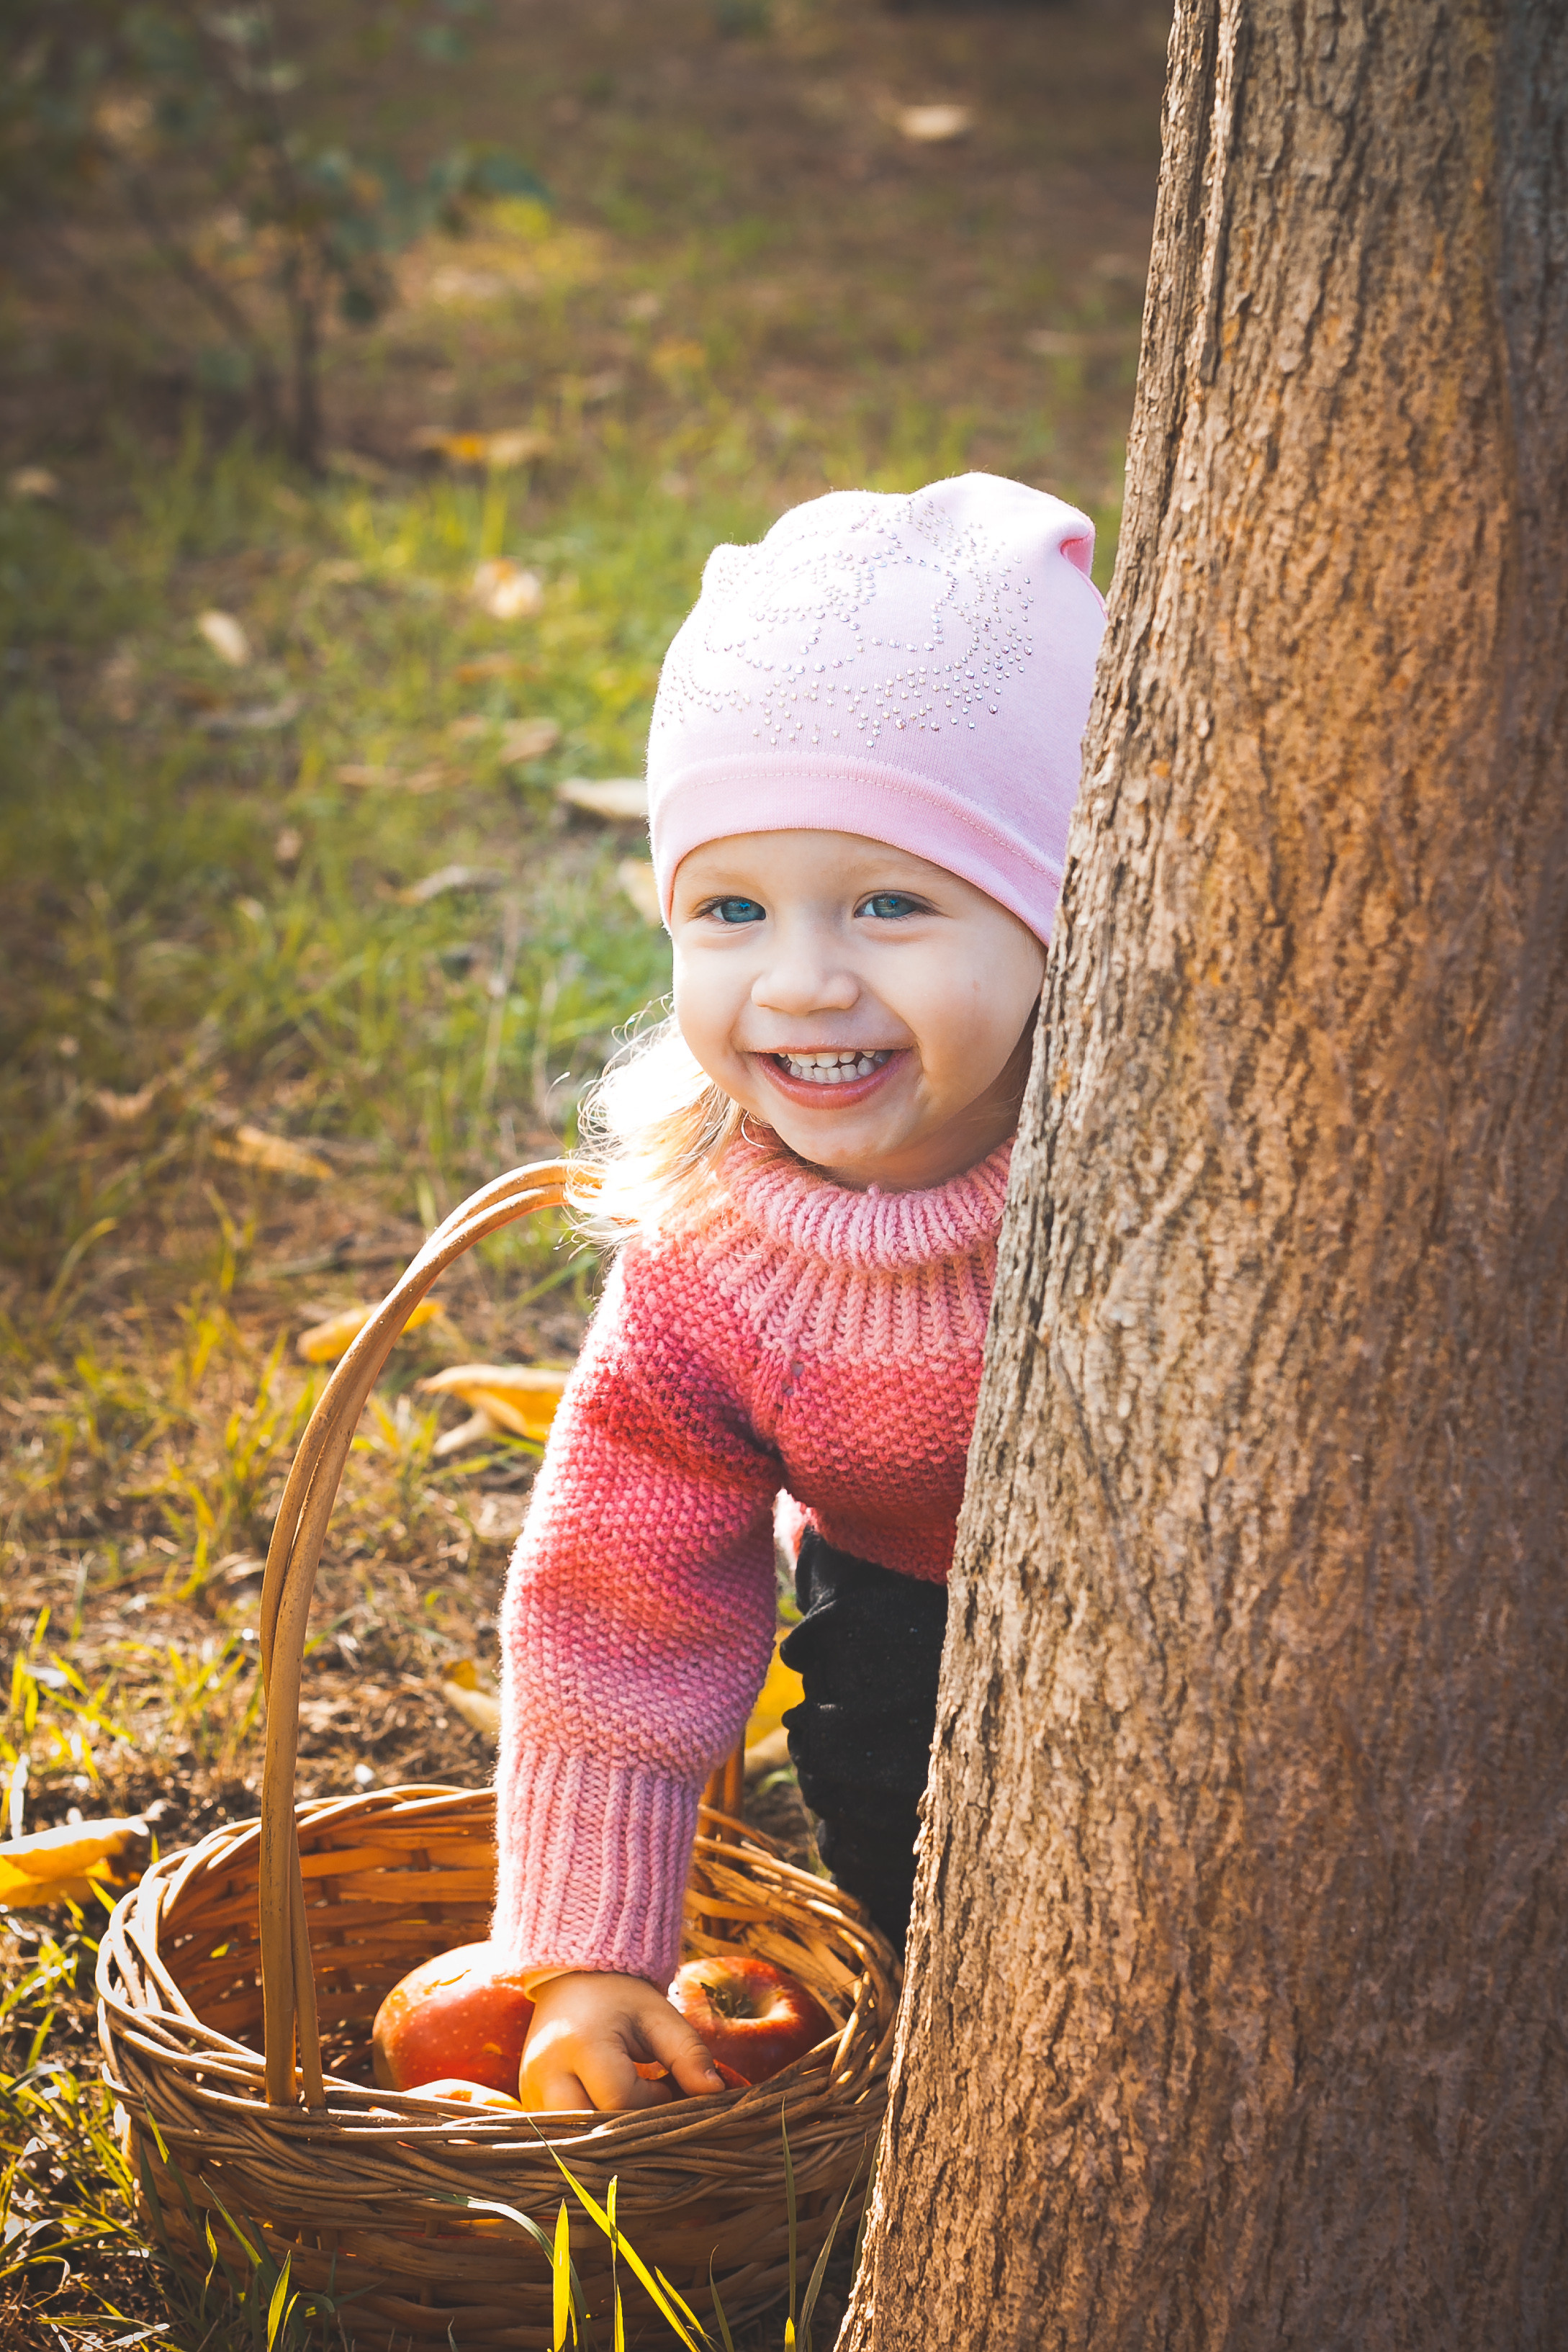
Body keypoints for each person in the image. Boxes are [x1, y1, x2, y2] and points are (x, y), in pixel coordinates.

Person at [494, 472, 1104, 2111]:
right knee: (959, 1949)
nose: (803, 977)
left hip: (1207, 1645)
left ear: (1063, 915)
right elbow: (626, 1595)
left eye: (893, 900)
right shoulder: (715, 1246)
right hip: (904, 1645)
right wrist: (593, 1950)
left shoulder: (1157, 1157)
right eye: (732, 909)